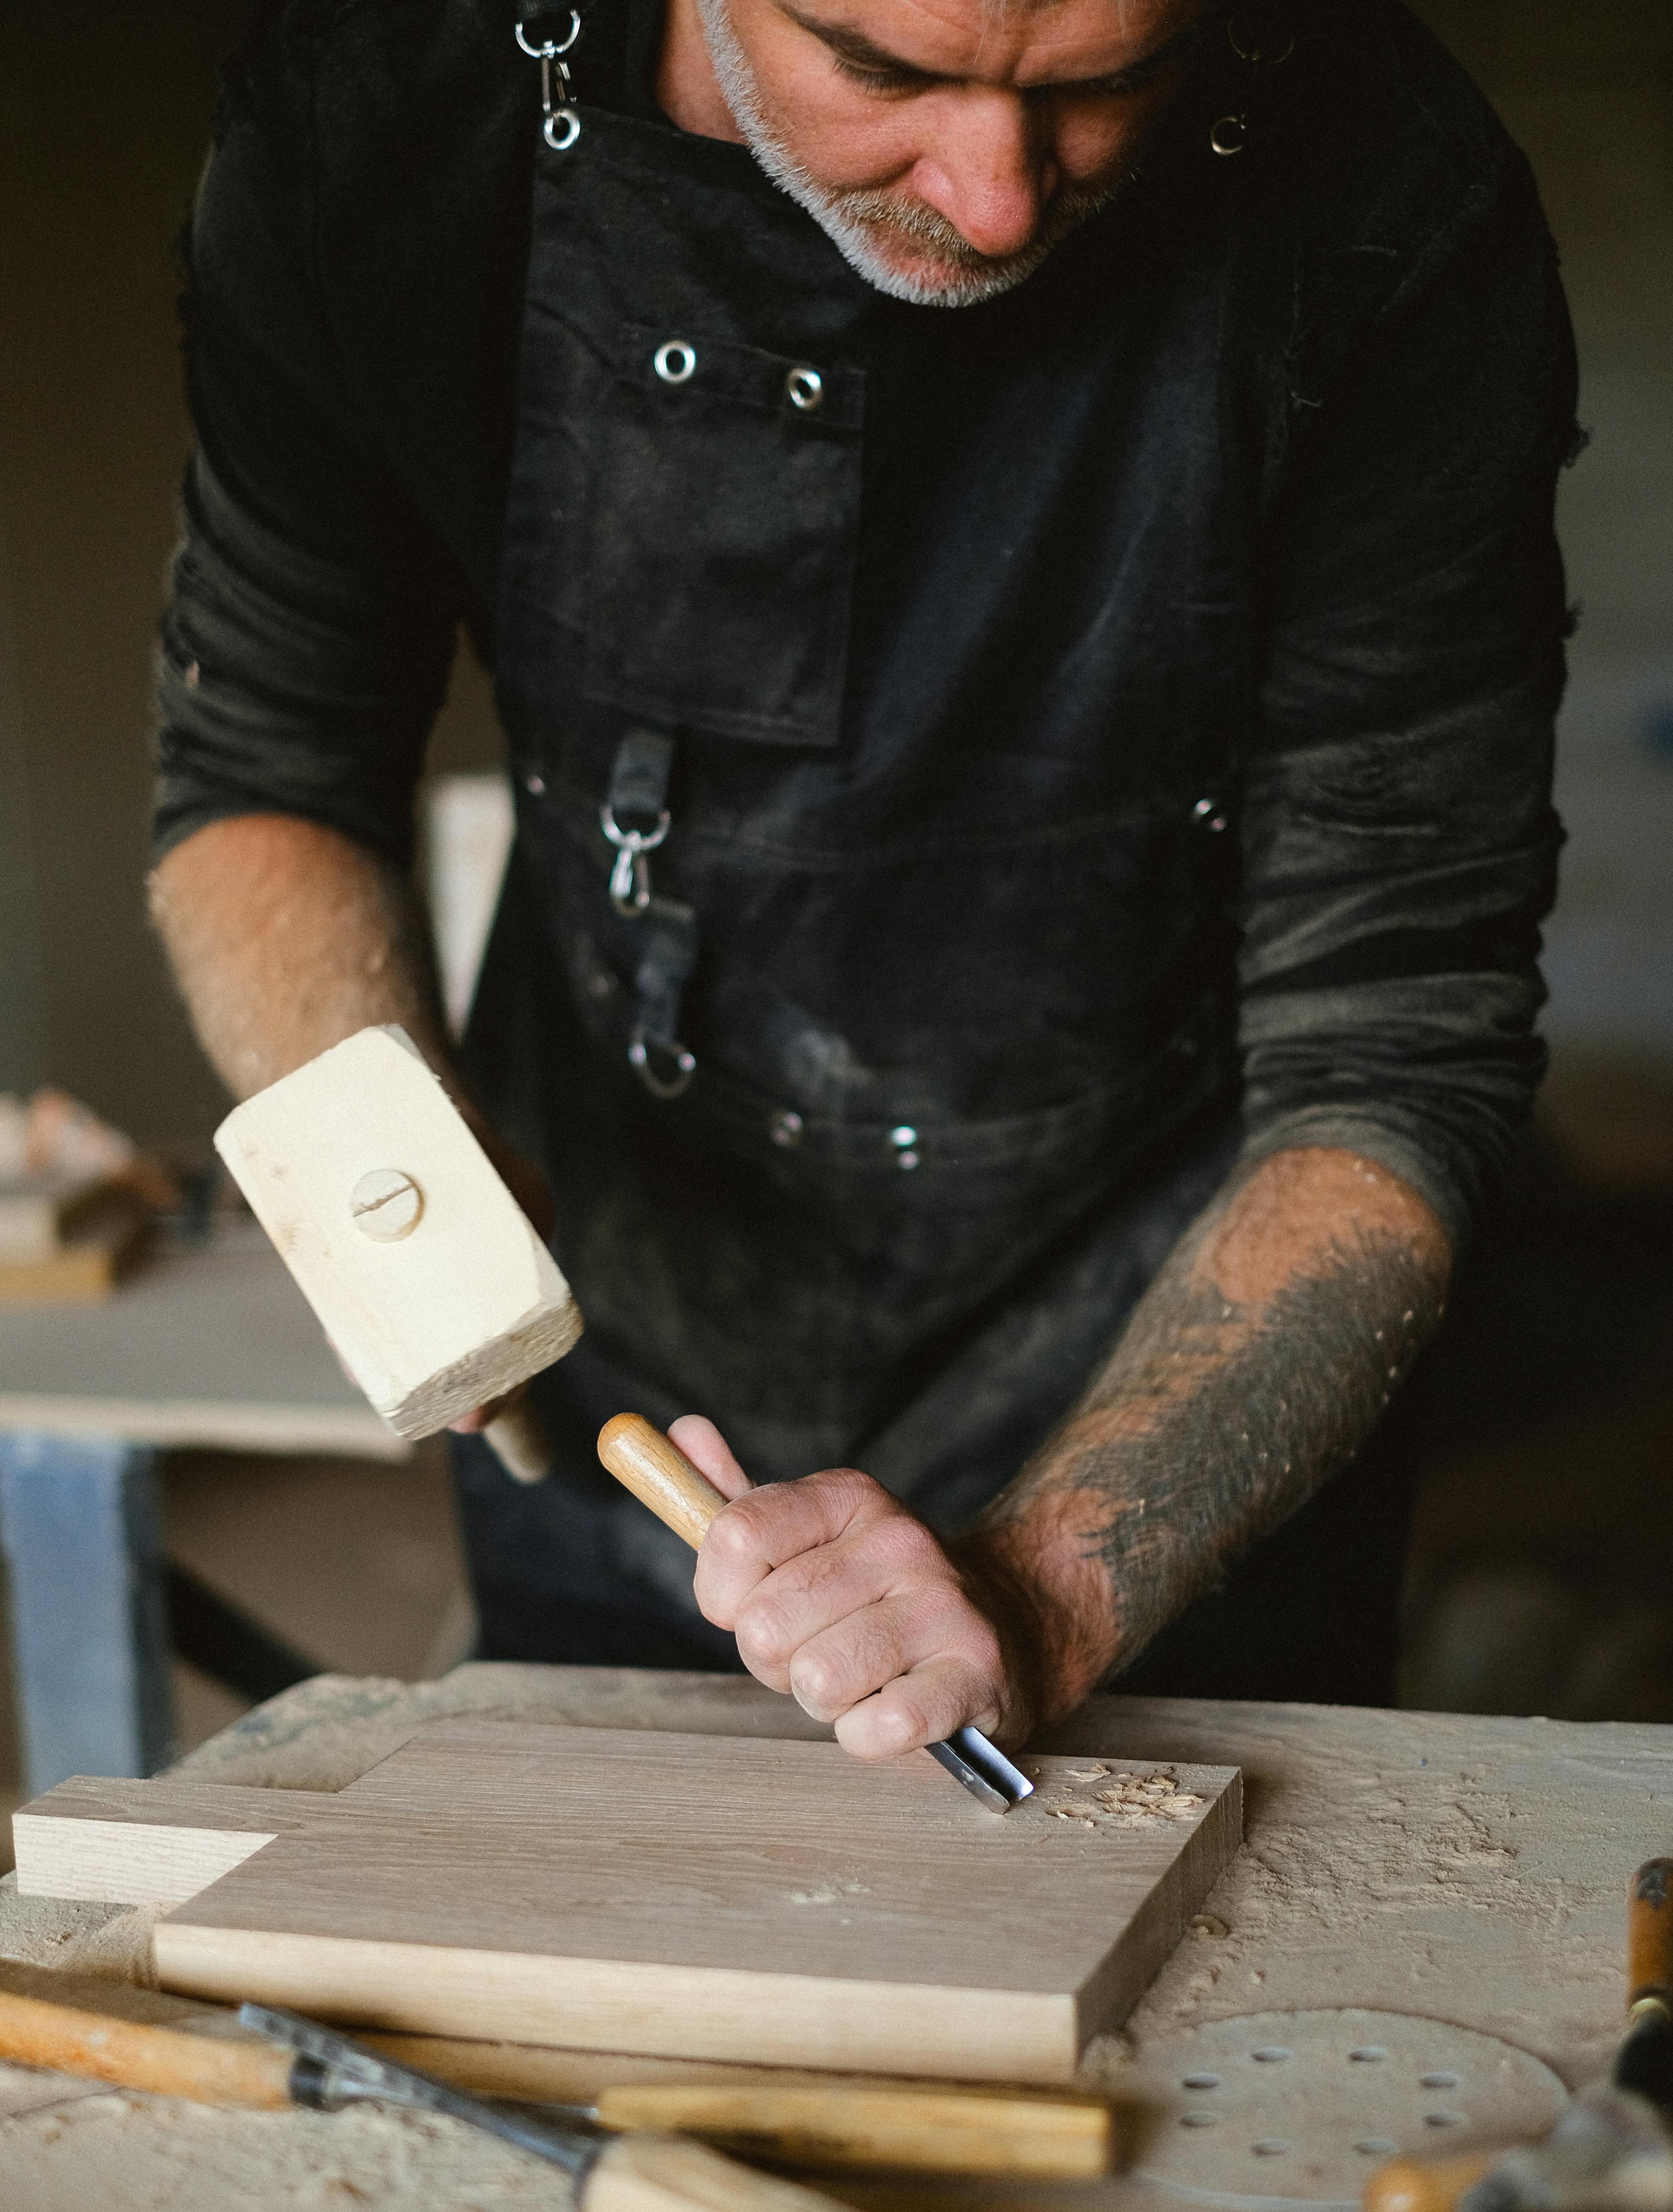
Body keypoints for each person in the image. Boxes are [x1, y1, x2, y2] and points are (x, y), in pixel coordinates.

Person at [149, 0, 1576, 1758]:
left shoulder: (1393, 200)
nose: (994, 202)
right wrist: (413, 1216)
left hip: (1173, 1400)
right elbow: (261, 764)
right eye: (888, 75)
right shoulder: (380, 126)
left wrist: (1057, 1583)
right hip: (622, 1369)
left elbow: (1397, 1047)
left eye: (1106, 87)